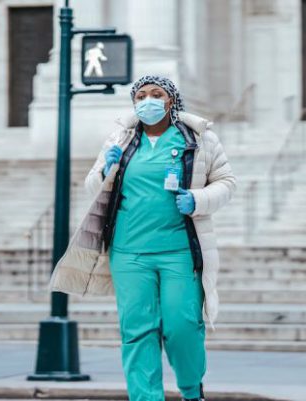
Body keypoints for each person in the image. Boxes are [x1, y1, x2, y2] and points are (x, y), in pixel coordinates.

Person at [86, 75, 236, 401]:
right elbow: (93, 188)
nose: (148, 101)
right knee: (138, 331)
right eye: (141, 96)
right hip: (128, 253)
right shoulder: (120, 139)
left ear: (171, 101)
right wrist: (103, 171)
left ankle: (191, 389)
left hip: (178, 250)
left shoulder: (200, 139)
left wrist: (197, 199)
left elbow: (226, 182)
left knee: (181, 328)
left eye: (156, 94)